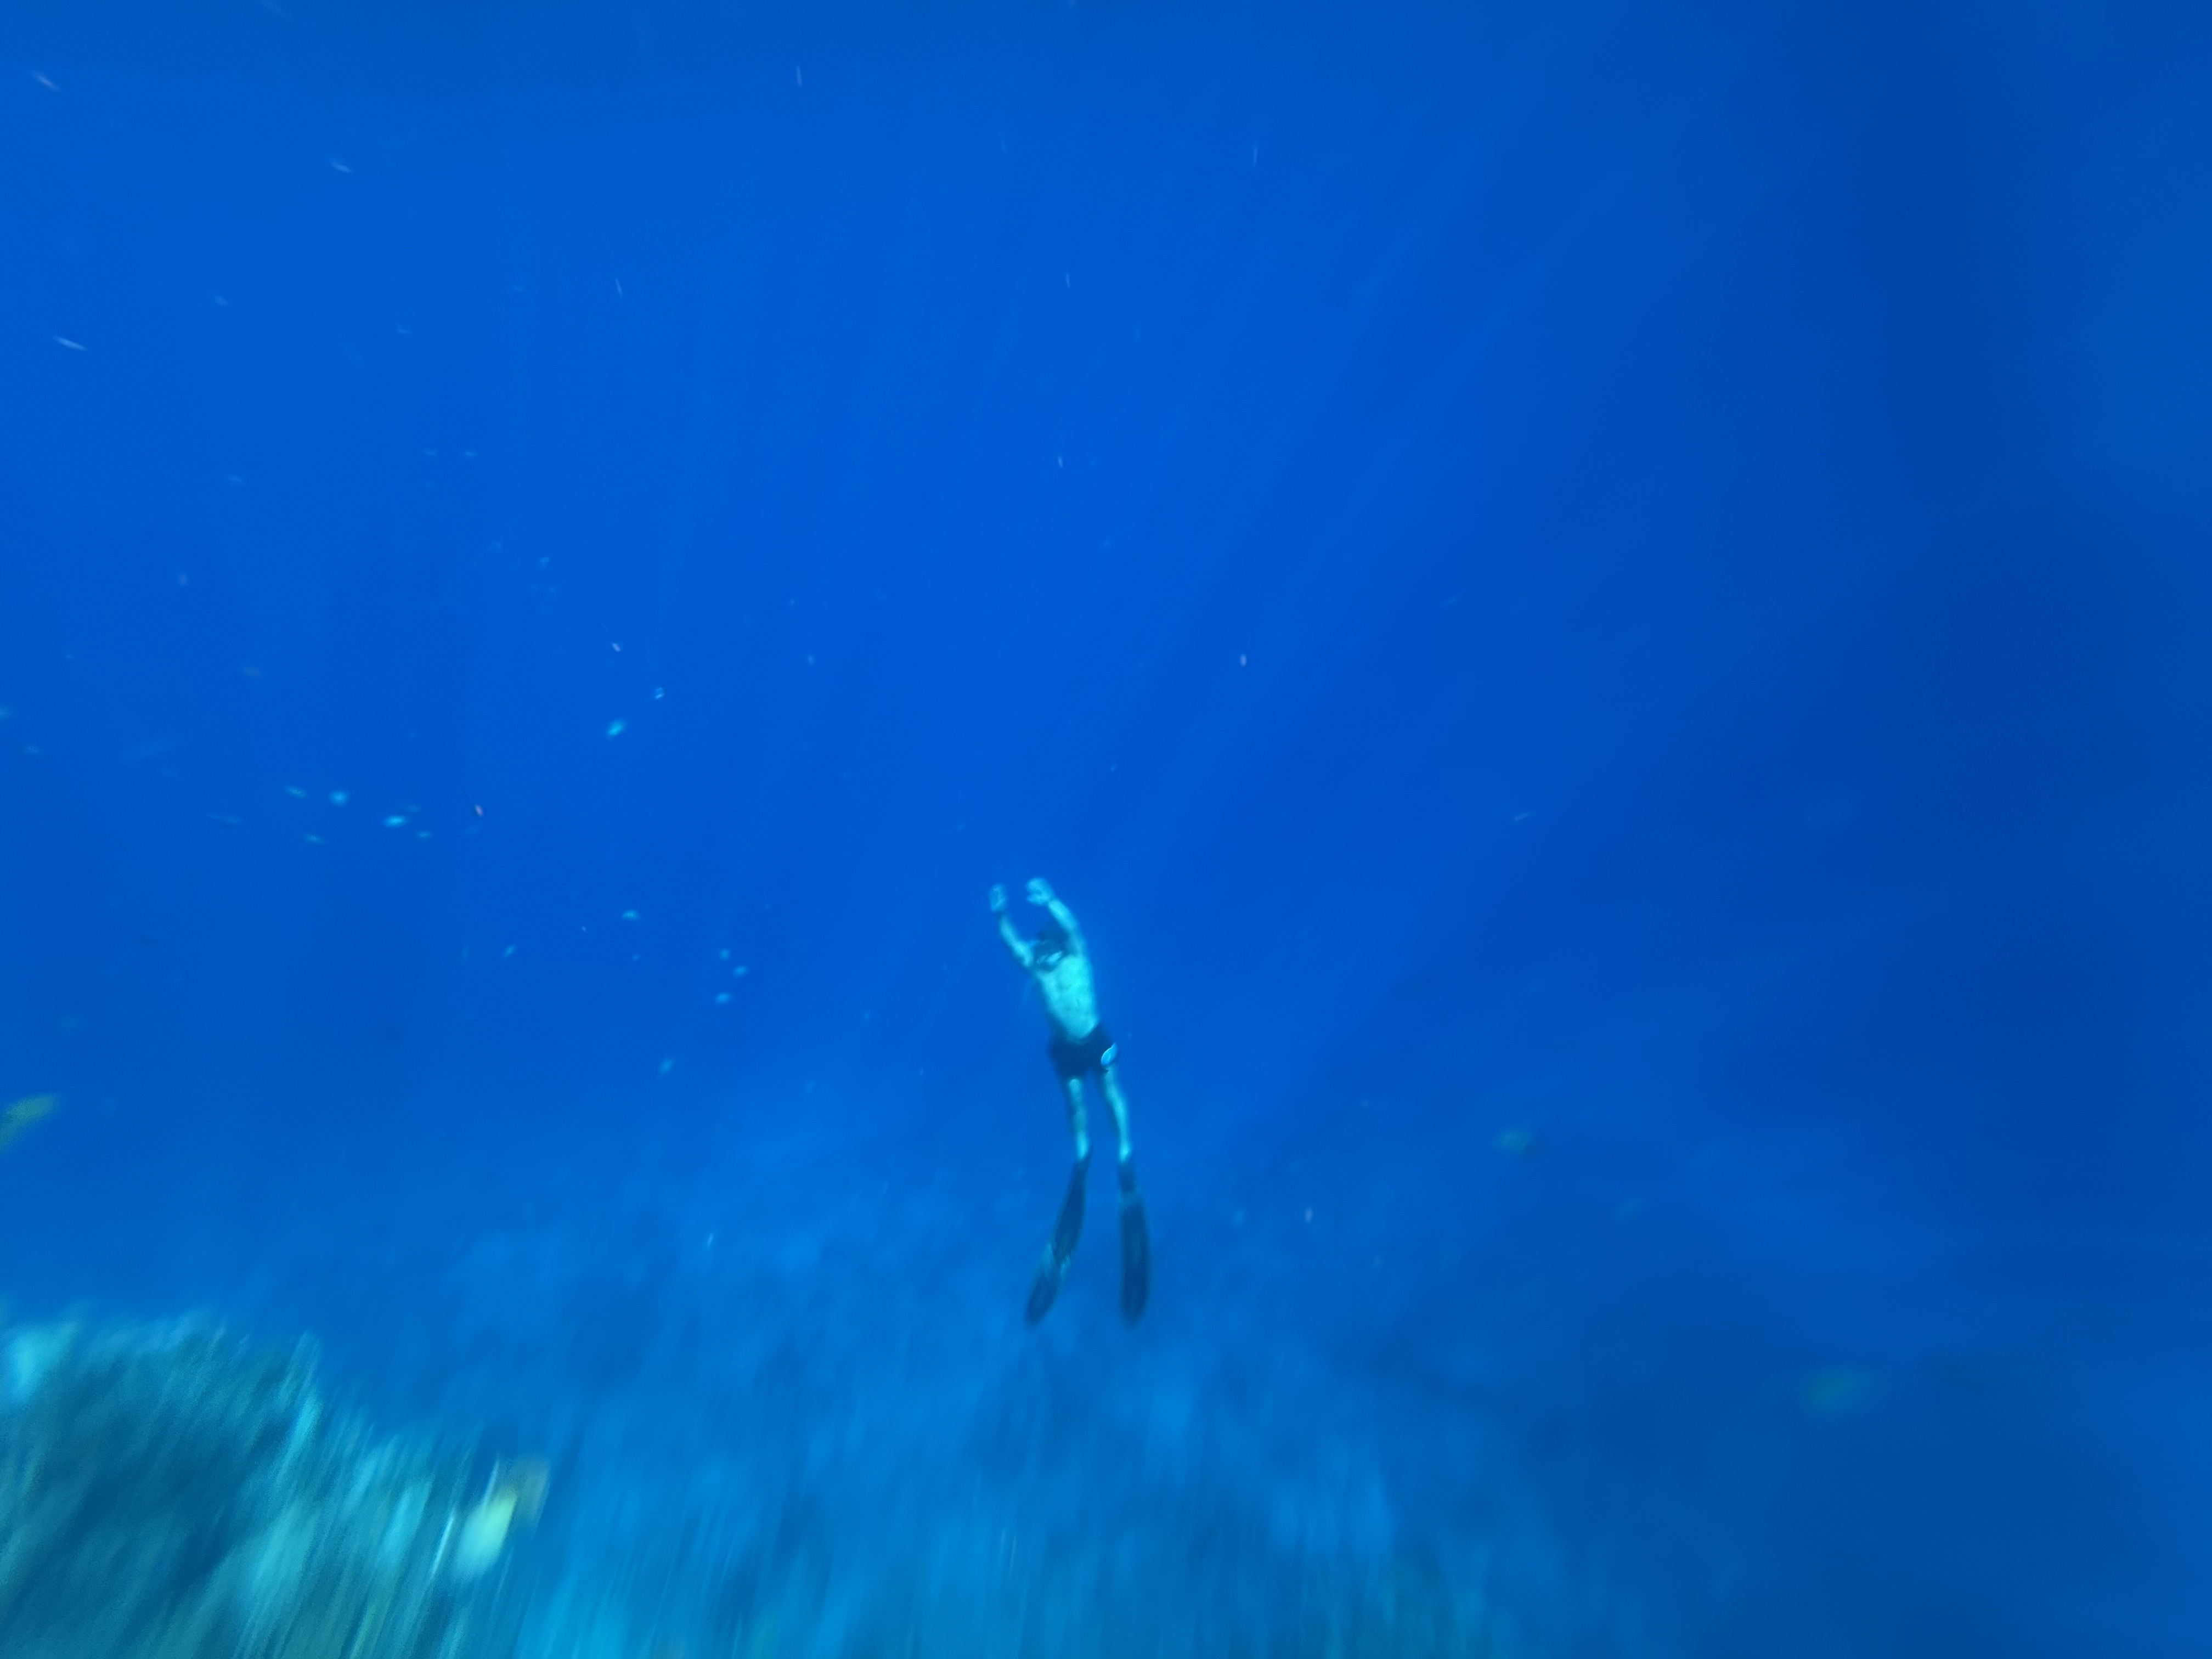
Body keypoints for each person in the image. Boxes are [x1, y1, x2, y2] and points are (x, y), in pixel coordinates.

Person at [991, 877, 1149, 1326]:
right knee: (1076, 1107)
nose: (1042, 951)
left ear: (1058, 946)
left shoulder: (1077, 956)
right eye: (1040, 947)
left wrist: (1051, 901)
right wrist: (1001, 914)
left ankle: (1124, 1151)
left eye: (1047, 945)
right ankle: (1083, 1158)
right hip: (1065, 1049)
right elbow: (1012, 945)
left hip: (1094, 1037)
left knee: (1111, 1094)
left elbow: (1074, 928)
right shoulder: (1037, 970)